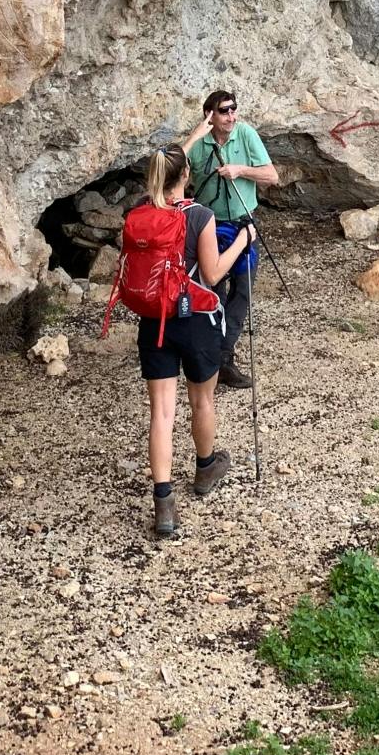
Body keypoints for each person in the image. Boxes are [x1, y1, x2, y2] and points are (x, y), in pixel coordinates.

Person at [131, 145, 235, 539]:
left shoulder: (140, 212)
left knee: (161, 413)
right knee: (202, 400)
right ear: (186, 175)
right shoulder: (201, 217)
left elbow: (170, 165)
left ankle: (163, 504)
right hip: (196, 321)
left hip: (154, 321)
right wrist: (243, 240)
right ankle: (206, 467)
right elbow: (212, 273)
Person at [183, 90, 278, 389]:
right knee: (214, 291)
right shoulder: (200, 144)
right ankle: (215, 355)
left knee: (243, 290)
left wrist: (241, 170)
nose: (232, 116)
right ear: (210, 115)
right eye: (224, 111)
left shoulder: (246, 134)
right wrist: (194, 136)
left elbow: (272, 176)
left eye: (234, 109)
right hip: (209, 226)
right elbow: (168, 169)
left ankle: (224, 356)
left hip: (243, 224)